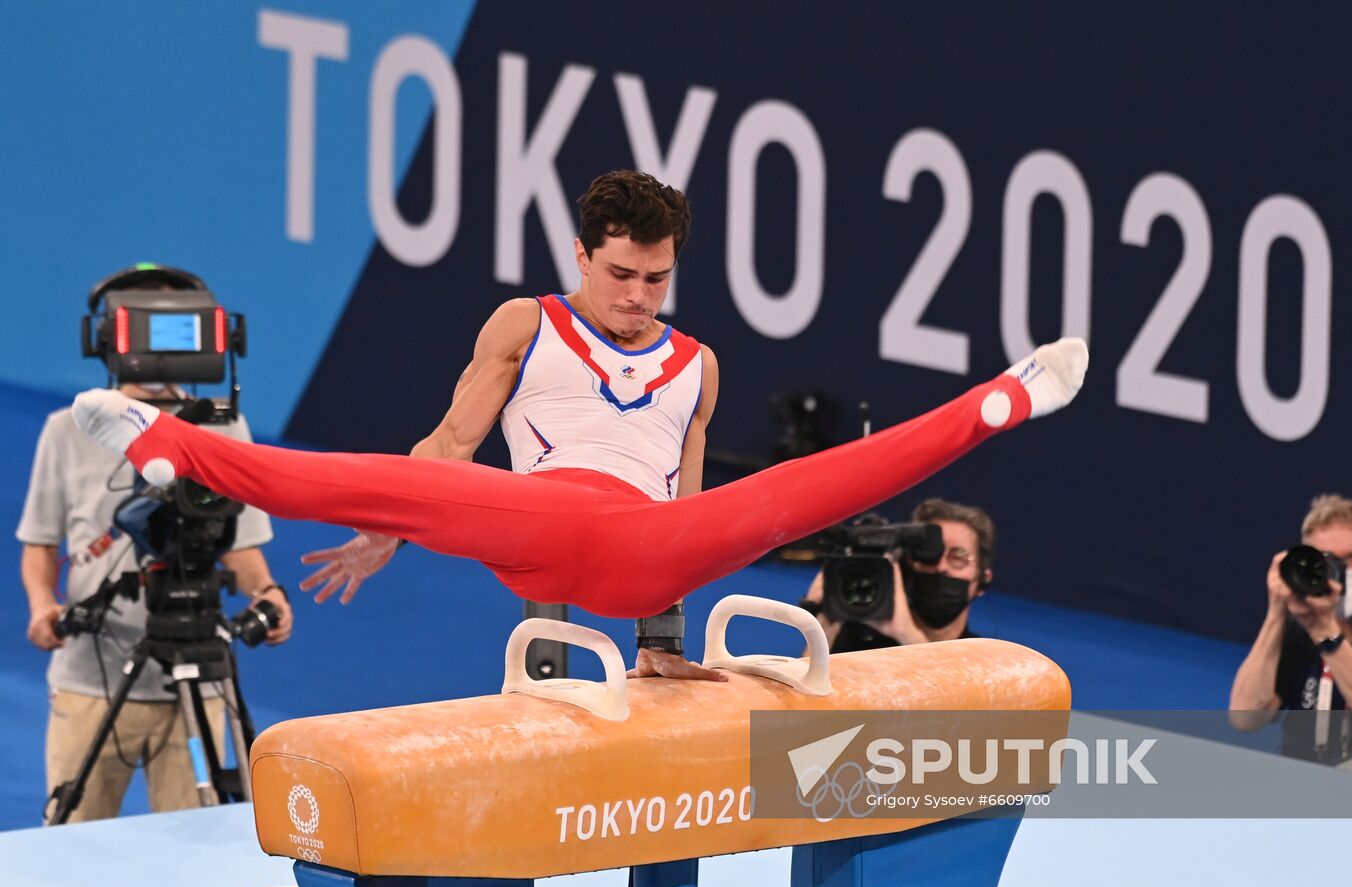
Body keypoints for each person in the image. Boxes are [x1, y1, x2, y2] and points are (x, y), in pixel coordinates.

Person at [67, 170, 1087, 666]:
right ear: (582, 254)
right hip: (535, 525)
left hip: (643, 551)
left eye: (657, 278)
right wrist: (390, 525)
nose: (639, 296)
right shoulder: (527, 322)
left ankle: (996, 403)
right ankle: (170, 443)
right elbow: (448, 449)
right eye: (621, 274)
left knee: (793, 493)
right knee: (364, 472)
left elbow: (686, 511)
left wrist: (663, 641)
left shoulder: (699, 365)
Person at [19, 380, 293, 824]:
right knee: (73, 838)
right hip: (90, 676)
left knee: (198, 839)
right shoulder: (68, 426)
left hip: (196, 677)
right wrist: (40, 604)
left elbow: (238, 542)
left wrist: (267, 589)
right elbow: (40, 541)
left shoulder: (223, 426)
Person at [1230, 494, 1352, 778]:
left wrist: (1325, 632)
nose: (1342, 571)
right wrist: (1276, 612)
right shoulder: (1300, 625)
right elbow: (1246, 719)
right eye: (1327, 561)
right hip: (1305, 786)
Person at [801, 498, 996, 652]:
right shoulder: (856, 643)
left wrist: (907, 635)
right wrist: (822, 629)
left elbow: (952, 689)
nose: (941, 567)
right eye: (929, 555)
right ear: (907, 564)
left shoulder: (984, 660)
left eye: (958, 557)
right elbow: (803, 692)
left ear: (983, 578)